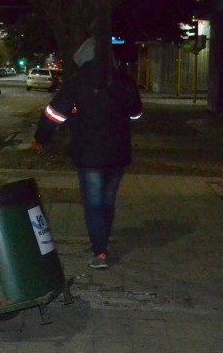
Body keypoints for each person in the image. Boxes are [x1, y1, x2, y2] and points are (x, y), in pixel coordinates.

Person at [32, 37, 142, 269]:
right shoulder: (124, 80)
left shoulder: (77, 82)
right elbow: (136, 114)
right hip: (118, 154)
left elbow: (54, 114)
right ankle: (101, 243)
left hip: (89, 153)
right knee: (107, 200)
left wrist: (41, 138)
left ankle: (100, 252)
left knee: (93, 202)